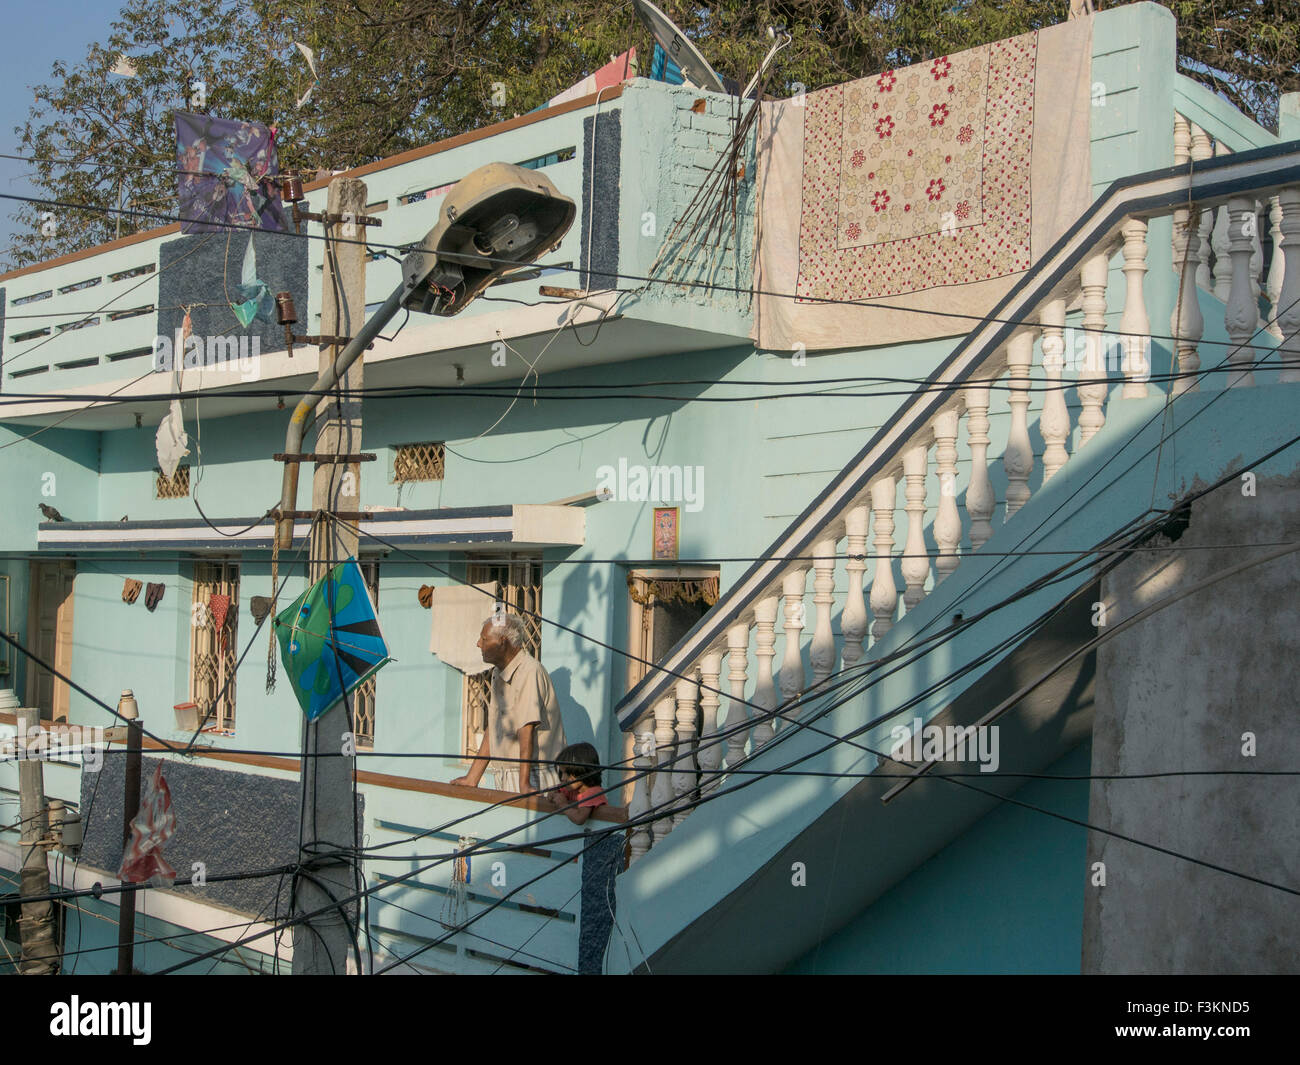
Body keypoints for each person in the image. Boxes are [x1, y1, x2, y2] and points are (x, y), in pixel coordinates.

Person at [451, 612, 567, 793]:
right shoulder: (499, 672)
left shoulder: (529, 671)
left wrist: (524, 784)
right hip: (509, 772)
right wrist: (473, 777)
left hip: (534, 773)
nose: (478, 644)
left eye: (484, 639)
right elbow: (495, 726)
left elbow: (526, 729)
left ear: (502, 642)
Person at [544, 742, 609, 825]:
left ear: (583, 771)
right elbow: (553, 794)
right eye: (562, 773)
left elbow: (579, 819)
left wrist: (563, 805)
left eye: (567, 773)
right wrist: (553, 794)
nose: (563, 778)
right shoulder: (570, 788)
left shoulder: (594, 792)